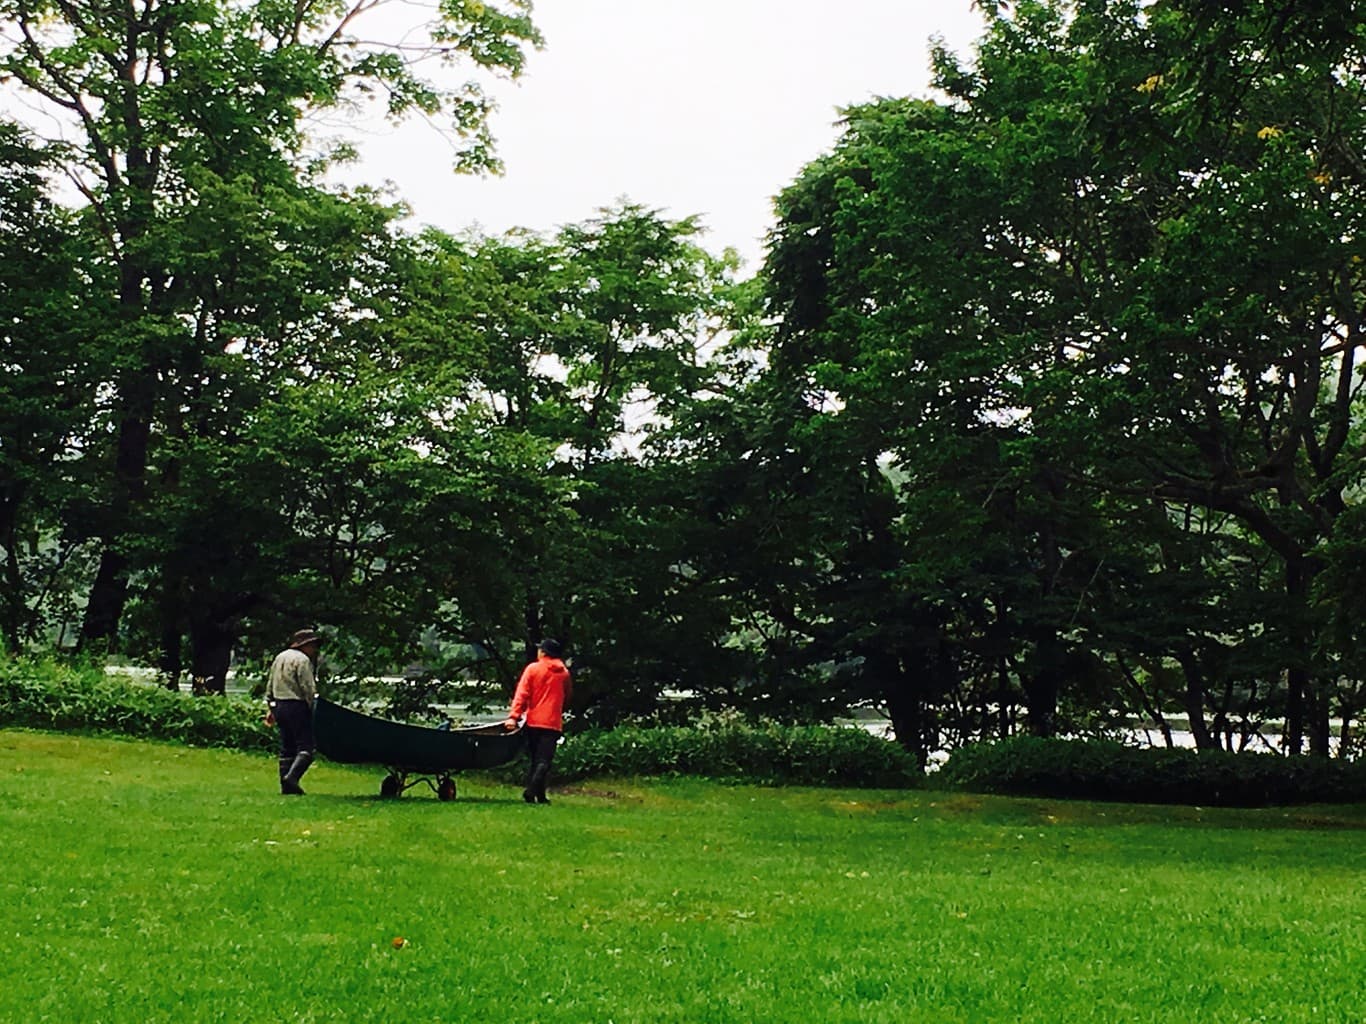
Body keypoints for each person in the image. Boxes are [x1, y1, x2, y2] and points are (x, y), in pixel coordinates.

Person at [504, 638, 572, 804]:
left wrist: (514, 716)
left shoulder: (533, 669)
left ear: (544, 652)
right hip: (553, 722)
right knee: (545, 760)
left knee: (536, 759)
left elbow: (522, 694)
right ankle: (539, 795)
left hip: (534, 721)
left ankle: (531, 791)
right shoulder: (564, 673)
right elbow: (568, 695)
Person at [267, 628, 322, 795]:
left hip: (279, 704)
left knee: (287, 746)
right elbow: (307, 686)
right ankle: (291, 778)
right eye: (313, 645)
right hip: (296, 705)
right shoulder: (303, 660)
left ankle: (286, 786)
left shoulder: (280, 657)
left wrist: (270, 706)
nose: (314, 650)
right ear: (305, 645)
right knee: (306, 747)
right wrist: (313, 705)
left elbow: (270, 683)